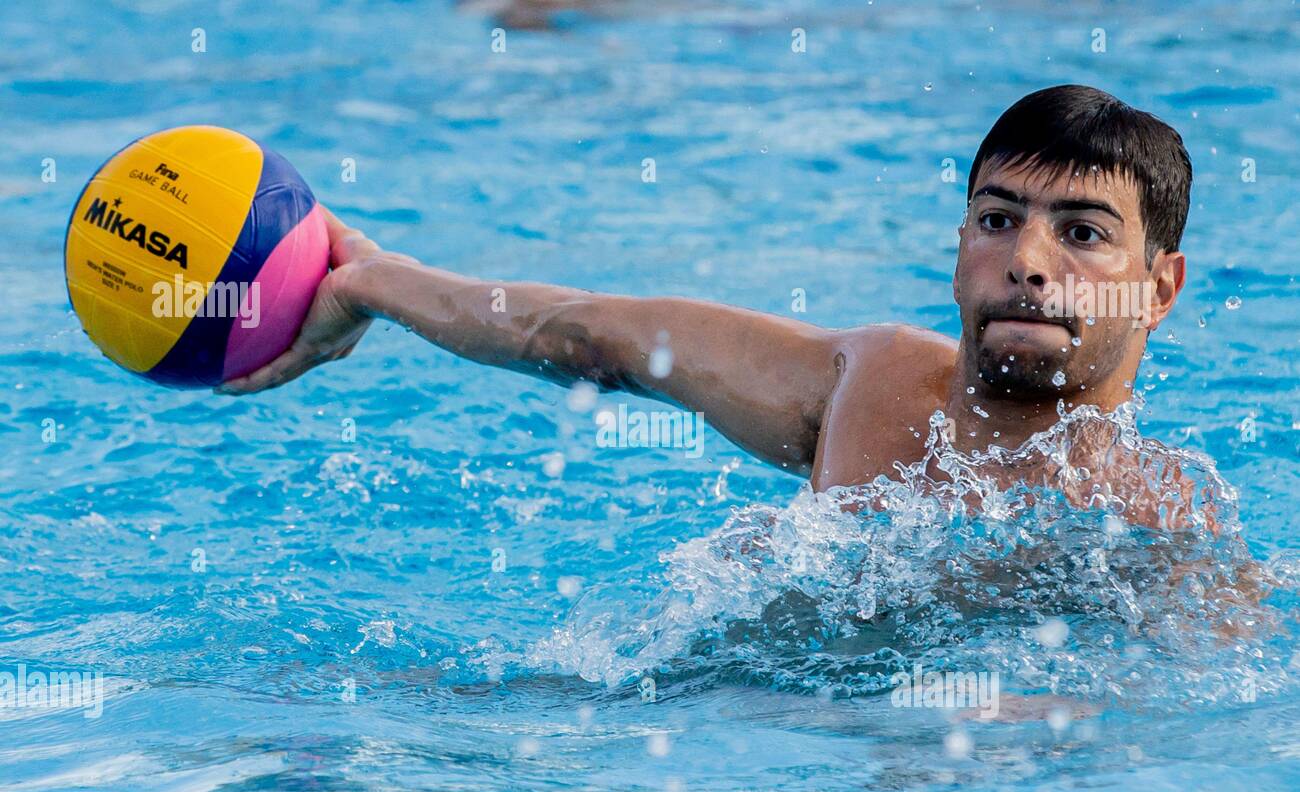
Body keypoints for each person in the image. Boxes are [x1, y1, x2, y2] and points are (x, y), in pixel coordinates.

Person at [219, 85, 1197, 528]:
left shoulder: (1153, 525)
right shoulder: (865, 380)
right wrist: (371, 281)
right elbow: (592, 333)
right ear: (956, 254)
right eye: (995, 219)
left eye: (1079, 232)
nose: (1025, 260)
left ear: (1158, 289)